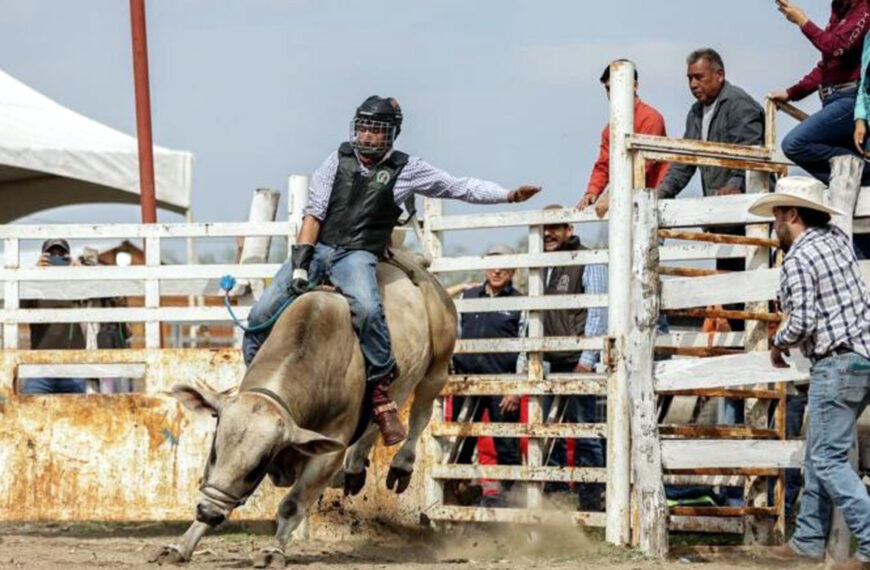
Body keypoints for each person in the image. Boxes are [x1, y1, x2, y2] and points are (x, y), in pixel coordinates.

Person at [243, 95, 541, 446]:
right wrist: (300, 264)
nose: (367, 136)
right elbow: (315, 213)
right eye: (363, 128)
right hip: (320, 246)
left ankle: (381, 393)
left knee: (368, 309)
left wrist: (507, 195)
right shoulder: (336, 161)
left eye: (376, 130)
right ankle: (254, 388)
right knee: (260, 314)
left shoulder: (408, 168)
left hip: (356, 254)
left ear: (391, 134)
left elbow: (459, 186)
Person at [752, 177, 870, 570]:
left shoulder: (799, 258)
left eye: (777, 216)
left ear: (793, 214)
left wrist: (778, 340)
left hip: (836, 363)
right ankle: (807, 540)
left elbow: (802, 321)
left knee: (827, 458)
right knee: (820, 453)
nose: (775, 225)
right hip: (861, 355)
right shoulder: (836, 239)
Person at [524, 205, 608, 511]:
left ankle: (592, 506)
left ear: (569, 229)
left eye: (555, 228)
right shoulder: (540, 265)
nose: (548, 234)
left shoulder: (587, 259)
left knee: (586, 434)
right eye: (544, 228)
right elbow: (530, 314)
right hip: (549, 362)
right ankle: (556, 504)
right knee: (550, 434)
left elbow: (598, 311)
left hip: (579, 362)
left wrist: (586, 359)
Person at [771, 0, 870, 259]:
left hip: (850, 99)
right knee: (855, 204)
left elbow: (835, 48)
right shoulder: (839, 9)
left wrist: (802, 21)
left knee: (795, 144)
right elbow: (826, 64)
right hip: (835, 98)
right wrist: (793, 92)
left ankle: (859, 170)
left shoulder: (864, 10)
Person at [450, 244, 525, 507]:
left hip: (502, 383)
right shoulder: (468, 297)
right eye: (492, 263)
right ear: (484, 266)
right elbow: (453, 334)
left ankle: (512, 503)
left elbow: (526, 345)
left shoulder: (520, 301)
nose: (497, 270)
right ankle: (456, 500)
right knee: (459, 442)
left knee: (506, 444)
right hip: (465, 381)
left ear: (513, 268)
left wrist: (515, 387)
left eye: (503, 264)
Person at [577, 61, 669, 214]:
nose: (612, 94)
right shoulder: (610, 129)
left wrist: (611, 195)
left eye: (618, 87)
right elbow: (604, 165)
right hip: (626, 205)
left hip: (653, 203)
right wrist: (592, 192)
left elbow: (644, 166)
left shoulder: (651, 118)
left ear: (635, 86)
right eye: (608, 89)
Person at [19, 239, 86, 395]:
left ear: (69, 257)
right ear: (43, 257)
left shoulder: (76, 284)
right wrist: (35, 275)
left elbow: (97, 299)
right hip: (40, 363)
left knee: (76, 415)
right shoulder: (35, 286)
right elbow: (21, 309)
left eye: (62, 254)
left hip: (73, 363)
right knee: (33, 414)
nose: (57, 257)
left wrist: (82, 275)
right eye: (51, 254)